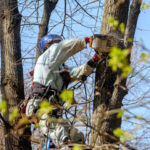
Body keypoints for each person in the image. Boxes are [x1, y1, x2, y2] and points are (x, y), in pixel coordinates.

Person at [25, 34, 102, 148]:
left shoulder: (60, 69)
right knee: (62, 136)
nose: (59, 45)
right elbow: (62, 48)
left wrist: (95, 59)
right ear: (48, 46)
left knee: (77, 137)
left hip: (53, 112)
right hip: (40, 108)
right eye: (57, 43)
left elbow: (78, 72)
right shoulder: (45, 59)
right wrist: (86, 41)